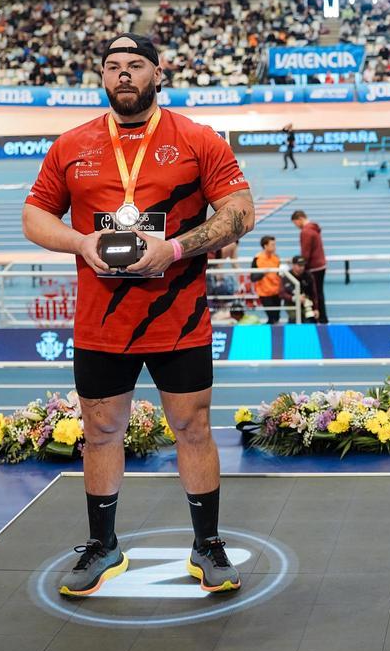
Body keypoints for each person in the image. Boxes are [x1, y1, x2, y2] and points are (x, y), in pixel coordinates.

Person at [22, 33, 255, 596]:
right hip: (101, 325)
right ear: (103, 77)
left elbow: (241, 212)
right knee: (101, 431)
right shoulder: (72, 144)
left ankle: (207, 544)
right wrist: (80, 242)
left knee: (193, 428)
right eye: (112, 66)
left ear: (158, 73)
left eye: (135, 65)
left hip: (180, 319)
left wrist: (173, 248)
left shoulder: (196, 139)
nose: (123, 74)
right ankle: (103, 545)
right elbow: (34, 215)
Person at [290, 209, 328, 323]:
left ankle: (320, 318)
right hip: (321, 264)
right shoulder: (314, 228)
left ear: (300, 219)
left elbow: (305, 253)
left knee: (314, 293)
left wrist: (300, 266)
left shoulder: (306, 232)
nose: (296, 226)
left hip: (314, 266)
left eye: (295, 223)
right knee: (319, 292)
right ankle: (322, 317)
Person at [250, 235, 282, 324]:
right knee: (271, 318)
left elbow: (279, 274)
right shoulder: (257, 259)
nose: (275, 247)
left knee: (277, 317)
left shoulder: (276, 258)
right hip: (264, 293)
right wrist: (263, 273)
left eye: (275, 244)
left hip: (276, 292)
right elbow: (253, 278)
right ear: (265, 246)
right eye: (272, 245)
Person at [281, 255, 318, 323]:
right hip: (291, 303)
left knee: (311, 319)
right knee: (295, 319)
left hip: (306, 302)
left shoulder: (308, 276)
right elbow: (282, 293)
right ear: (293, 265)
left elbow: (314, 293)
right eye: (299, 265)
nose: (302, 267)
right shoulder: (287, 276)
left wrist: (315, 309)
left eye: (303, 265)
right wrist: (294, 298)